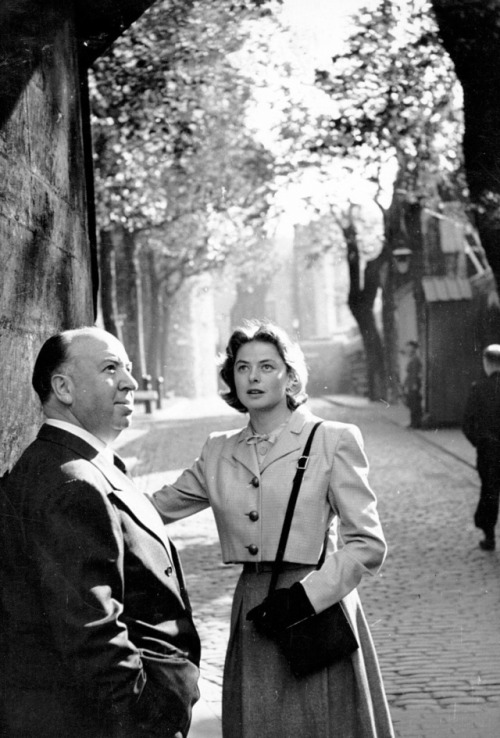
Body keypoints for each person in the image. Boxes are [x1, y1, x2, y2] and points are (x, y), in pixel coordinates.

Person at [153, 320, 394, 738]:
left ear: (291, 375)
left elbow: (367, 544)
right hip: (254, 610)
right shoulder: (218, 450)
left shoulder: (331, 439)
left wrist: (306, 598)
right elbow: (155, 508)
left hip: (314, 607)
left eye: (267, 366)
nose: (253, 377)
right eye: (243, 368)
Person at [0, 327, 200, 738]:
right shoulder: (72, 483)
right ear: (64, 388)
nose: (131, 381)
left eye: (127, 368)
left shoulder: (79, 465)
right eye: (111, 368)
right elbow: (94, 636)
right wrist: (154, 721)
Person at [463, 343, 500, 551]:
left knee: (490, 492)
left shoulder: (479, 388)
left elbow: (467, 424)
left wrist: (480, 441)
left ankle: (490, 538)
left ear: (487, 363)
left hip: (489, 452)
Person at [403, 340, 423, 429]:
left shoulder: (415, 359)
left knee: (414, 404)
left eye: (409, 347)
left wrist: (413, 384)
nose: (407, 350)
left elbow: (414, 373)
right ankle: (413, 423)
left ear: (413, 349)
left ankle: (415, 424)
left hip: (413, 384)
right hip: (411, 383)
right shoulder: (412, 359)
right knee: (412, 404)